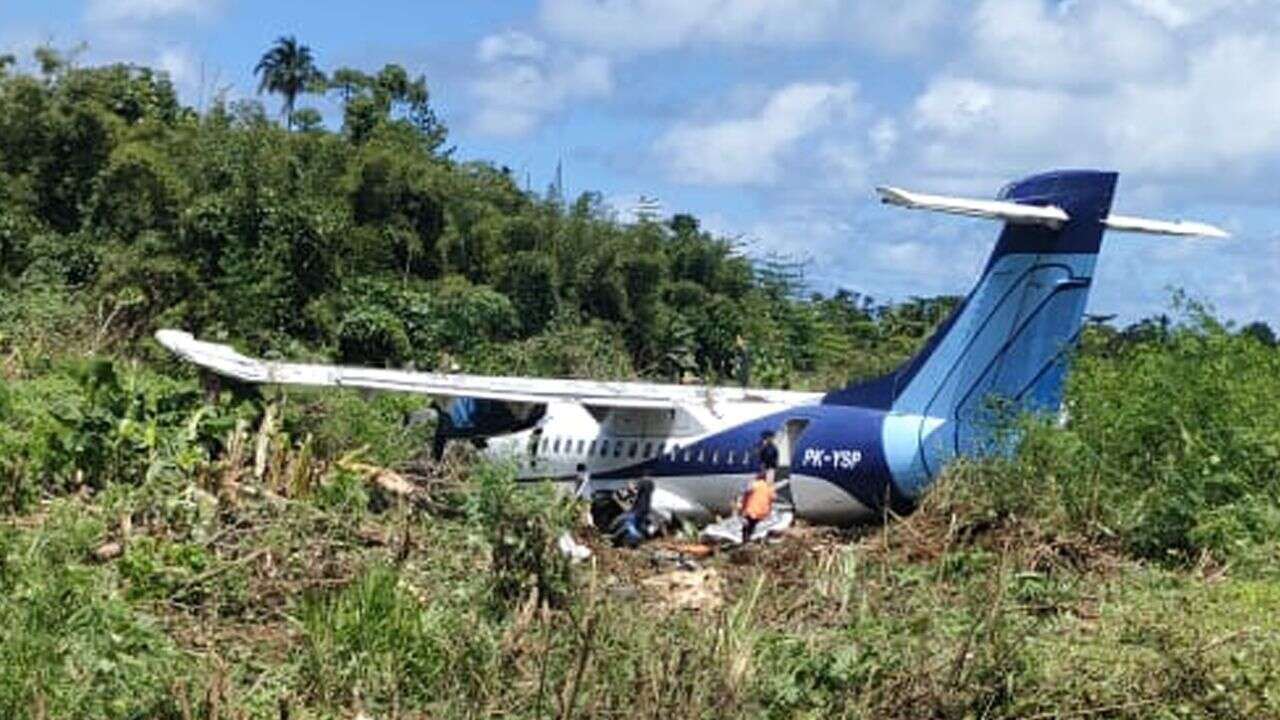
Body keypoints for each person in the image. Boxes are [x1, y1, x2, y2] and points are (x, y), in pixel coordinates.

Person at [739, 472, 775, 544]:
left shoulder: (753, 485)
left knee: (747, 527)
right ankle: (754, 540)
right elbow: (772, 498)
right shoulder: (769, 487)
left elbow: (745, 495)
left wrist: (741, 508)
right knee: (754, 526)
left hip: (751, 511)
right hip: (763, 513)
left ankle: (746, 541)